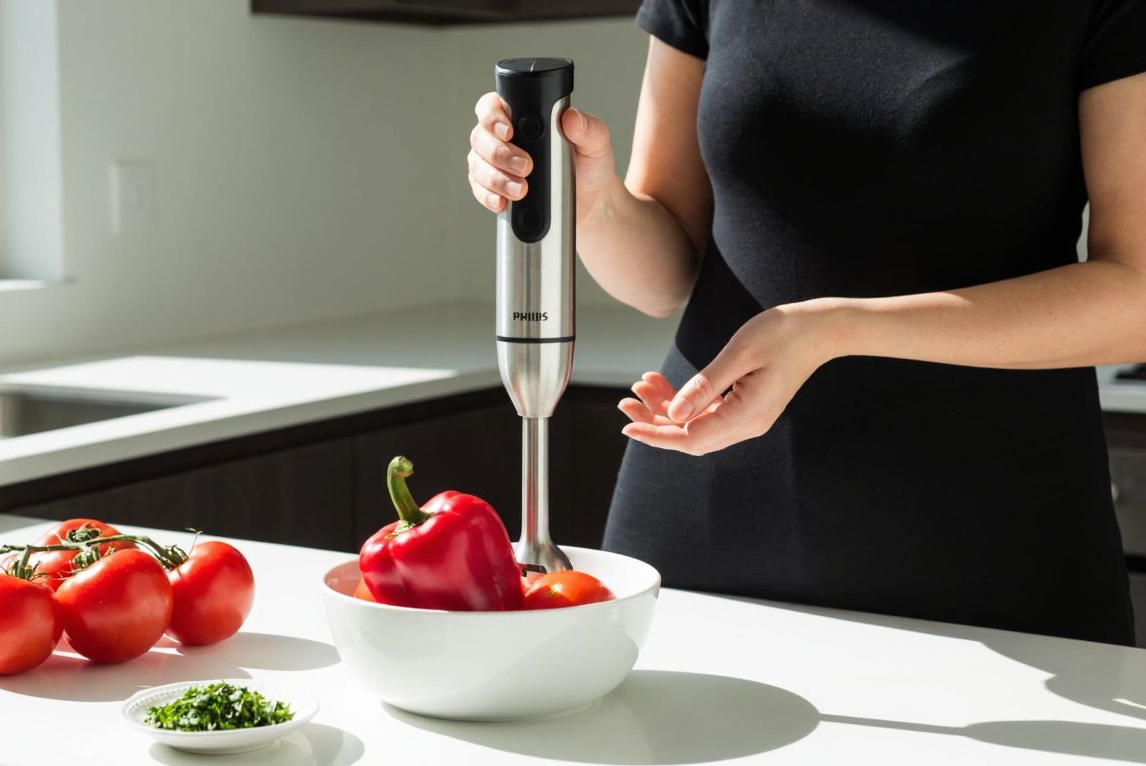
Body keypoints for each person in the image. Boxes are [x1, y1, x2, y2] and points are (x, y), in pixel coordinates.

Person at [466, 0, 1146, 645]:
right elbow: (664, 273)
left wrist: (838, 330)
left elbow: (1136, 296)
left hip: (995, 550)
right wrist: (592, 202)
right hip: (704, 524)